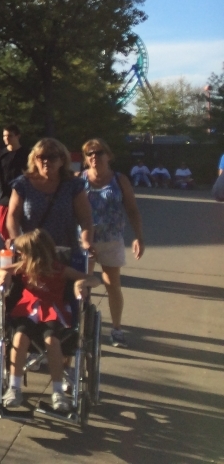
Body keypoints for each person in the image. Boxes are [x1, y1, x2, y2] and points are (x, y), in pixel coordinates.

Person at [0, 228, 101, 412]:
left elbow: (94, 280)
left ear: (33, 254)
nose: (20, 256)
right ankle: (14, 387)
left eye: (23, 253)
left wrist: (83, 283)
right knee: (19, 338)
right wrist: (3, 275)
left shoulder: (61, 270)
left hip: (52, 311)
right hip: (27, 310)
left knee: (52, 341)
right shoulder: (23, 267)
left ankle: (58, 391)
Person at [80, 139, 145, 348]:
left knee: (113, 285)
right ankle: (82, 328)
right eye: (89, 153)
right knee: (82, 287)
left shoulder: (119, 179)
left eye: (99, 152)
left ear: (108, 156)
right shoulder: (78, 179)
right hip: (85, 242)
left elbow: (132, 209)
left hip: (111, 240)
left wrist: (138, 236)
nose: (94, 157)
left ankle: (116, 329)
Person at [6, 138, 94, 256]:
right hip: (33, 252)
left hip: (65, 252)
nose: (46, 161)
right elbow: (13, 217)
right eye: (41, 157)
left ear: (62, 160)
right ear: (34, 160)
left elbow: (85, 219)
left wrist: (86, 242)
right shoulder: (22, 184)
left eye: (52, 157)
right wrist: (17, 240)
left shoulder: (73, 185)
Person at [0, 125, 27, 244]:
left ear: (18, 136)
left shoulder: (27, 154)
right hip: (5, 197)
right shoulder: (0, 155)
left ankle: (20, 251)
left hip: (24, 197)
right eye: (4, 136)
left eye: (9, 136)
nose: (6, 138)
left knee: (23, 229)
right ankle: (11, 250)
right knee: (4, 229)